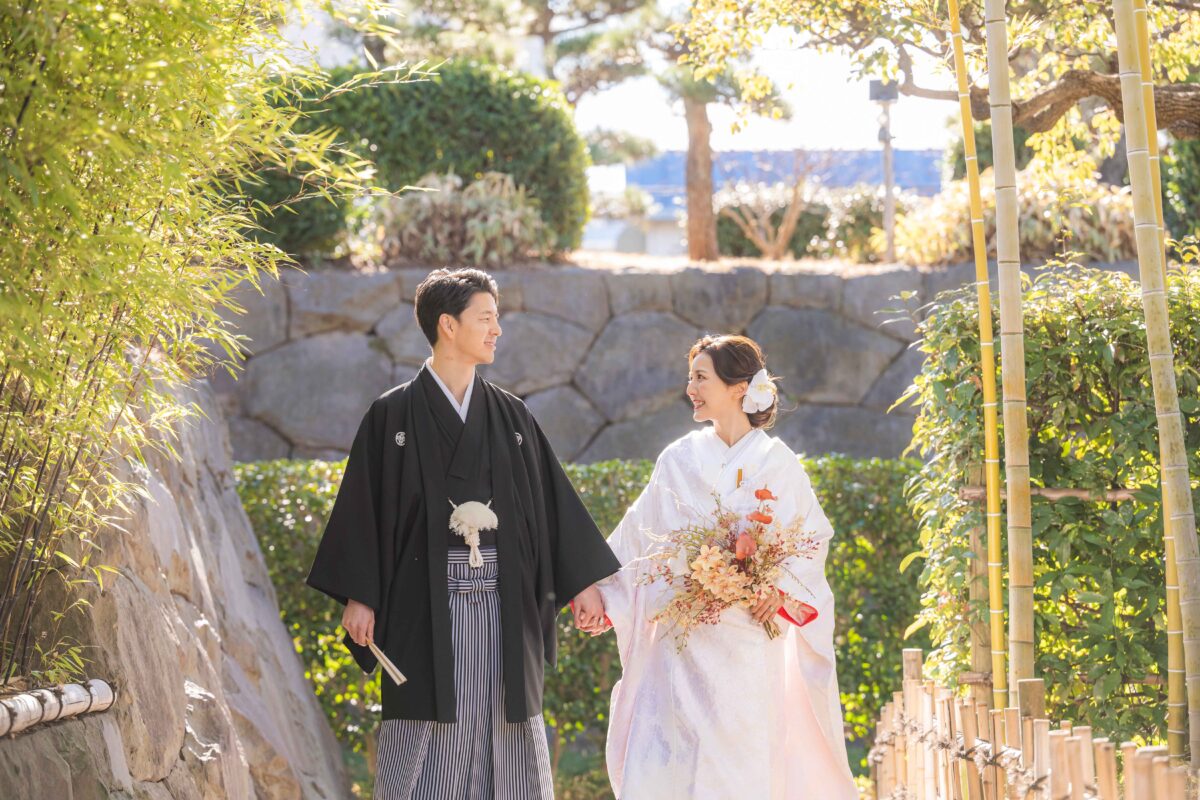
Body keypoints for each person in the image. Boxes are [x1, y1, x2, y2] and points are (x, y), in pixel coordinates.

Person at [306, 268, 618, 800]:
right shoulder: (391, 415)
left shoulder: (511, 415)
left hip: (505, 601)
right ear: (447, 325)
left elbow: (550, 502)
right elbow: (363, 509)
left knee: (507, 721)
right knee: (425, 727)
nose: (497, 330)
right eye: (486, 318)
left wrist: (582, 584)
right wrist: (360, 595)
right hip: (421, 607)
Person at [593, 334, 858, 800]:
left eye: (701, 378)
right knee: (677, 764)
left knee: (744, 763)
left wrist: (779, 591)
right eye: (690, 377)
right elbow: (638, 535)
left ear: (739, 387)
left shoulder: (777, 463)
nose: (690, 388)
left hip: (750, 640)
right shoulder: (677, 459)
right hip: (683, 644)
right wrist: (599, 594)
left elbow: (810, 541)